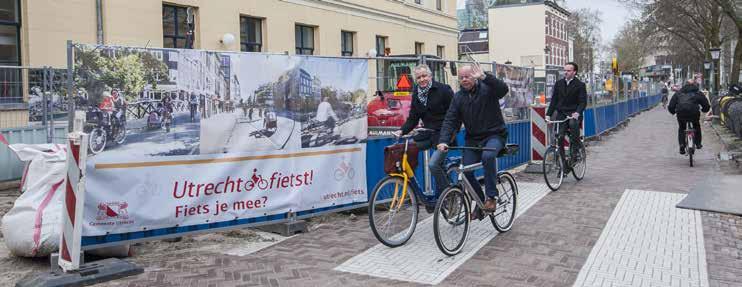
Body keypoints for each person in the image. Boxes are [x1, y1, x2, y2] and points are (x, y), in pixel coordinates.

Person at [438, 64, 510, 219]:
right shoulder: (458, 97)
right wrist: (443, 141)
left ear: (475, 76)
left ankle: (491, 197)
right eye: (461, 77)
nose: (464, 80)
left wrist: (485, 77)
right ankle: (480, 202)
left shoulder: (488, 88)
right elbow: (450, 120)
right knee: (466, 171)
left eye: (467, 76)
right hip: (473, 139)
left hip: (494, 135)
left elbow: (503, 90)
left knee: (488, 157)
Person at [392, 64, 455, 201]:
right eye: (419, 77)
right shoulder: (417, 93)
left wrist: (450, 135)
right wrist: (402, 131)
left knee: (433, 164)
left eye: (424, 76)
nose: (422, 79)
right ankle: (415, 191)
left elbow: (455, 114)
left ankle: (448, 196)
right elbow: (413, 117)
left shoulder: (443, 90)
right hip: (428, 134)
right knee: (405, 150)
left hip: (444, 135)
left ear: (430, 76)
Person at [545, 62, 587, 173]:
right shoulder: (559, 84)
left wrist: (577, 113)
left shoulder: (580, 85)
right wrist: (548, 114)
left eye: (568, 70)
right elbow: (554, 101)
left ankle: (575, 151)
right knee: (560, 137)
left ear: (574, 72)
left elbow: (583, 102)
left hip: (573, 113)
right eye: (565, 70)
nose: (566, 72)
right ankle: (564, 165)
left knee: (573, 124)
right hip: (562, 113)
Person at [668, 78, 710, 154]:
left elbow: (671, 105)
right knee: (696, 125)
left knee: (682, 128)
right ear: (694, 85)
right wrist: (705, 110)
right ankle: (698, 143)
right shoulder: (697, 92)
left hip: (681, 113)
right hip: (694, 113)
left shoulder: (679, 93)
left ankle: (681, 145)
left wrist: (673, 112)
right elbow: (705, 104)